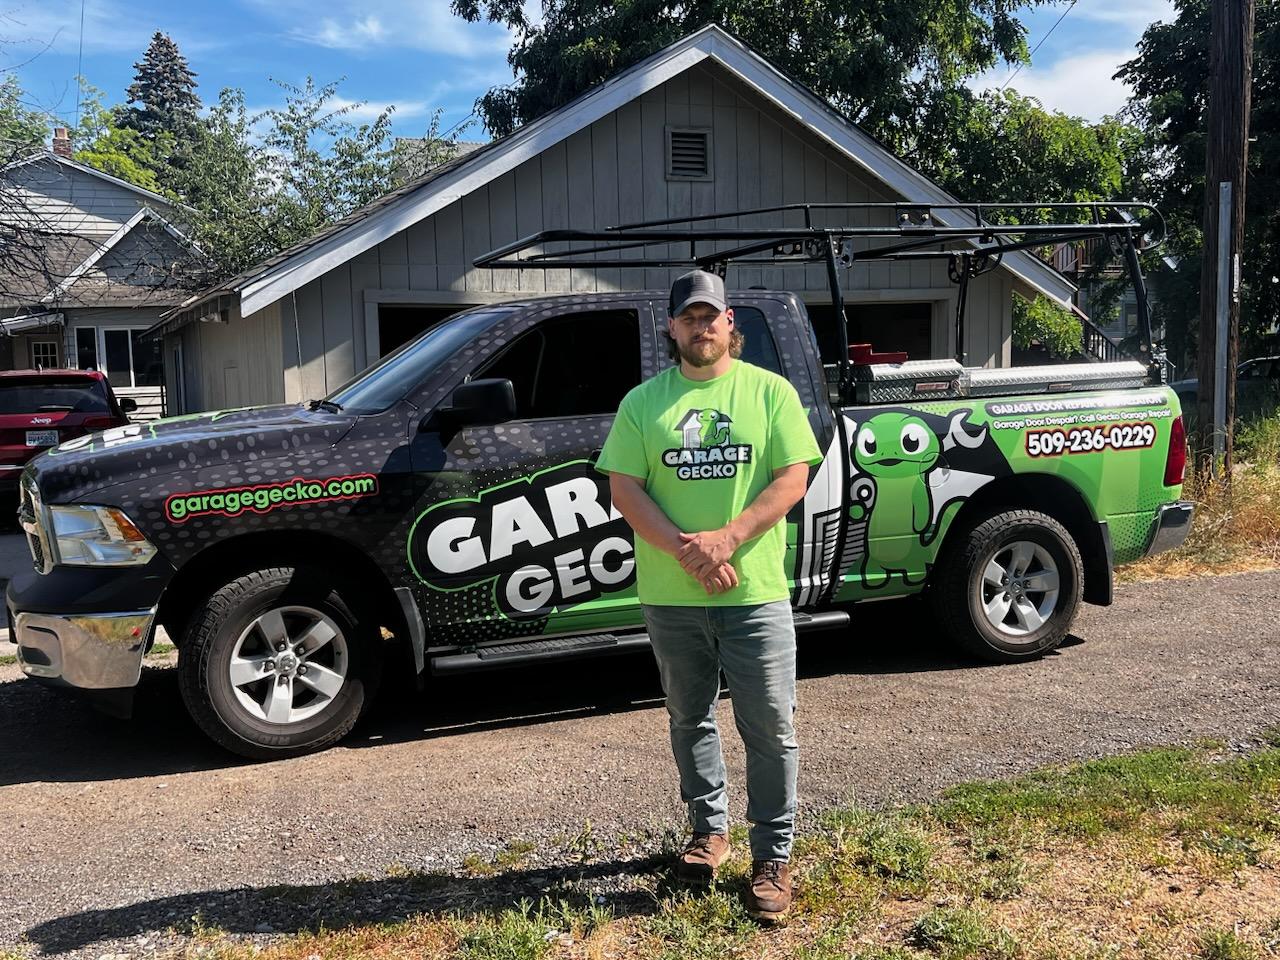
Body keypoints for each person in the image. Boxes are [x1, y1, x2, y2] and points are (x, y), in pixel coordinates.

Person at [594, 269, 822, 922]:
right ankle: (709, 832)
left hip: (754, 594)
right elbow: (626, 490)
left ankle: (772, 857)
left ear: (731, 327)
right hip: (672, 595)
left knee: (771, 728)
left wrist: (727, 538)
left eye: (711, 316)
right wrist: (687, 549)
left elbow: (792, 476)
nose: (702, 327)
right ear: (672, 328)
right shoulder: (644, 405)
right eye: (689, 317)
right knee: (688, 717)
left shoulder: (769, 394)